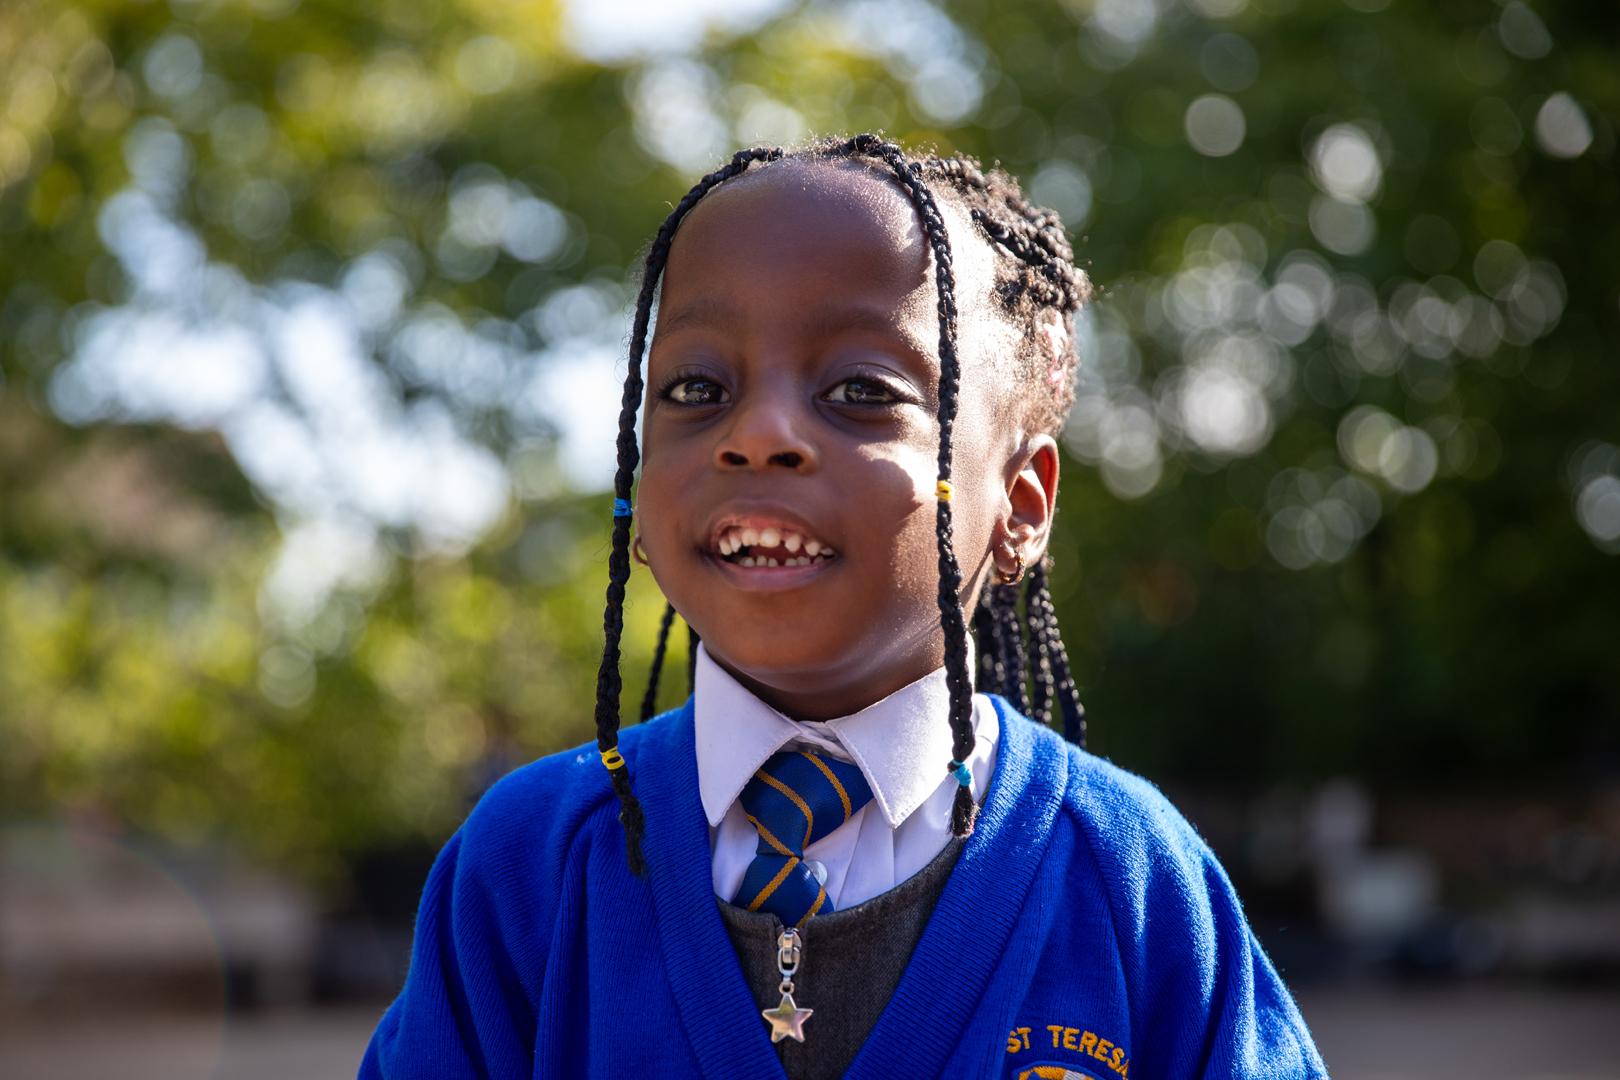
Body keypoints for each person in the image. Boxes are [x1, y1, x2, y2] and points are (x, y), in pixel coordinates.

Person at [359, 135, 1326, 1080]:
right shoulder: (527, 866)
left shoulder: (1130, 879)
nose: (759, 433)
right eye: (697, 387)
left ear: (1020, 505)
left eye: (861, 389)